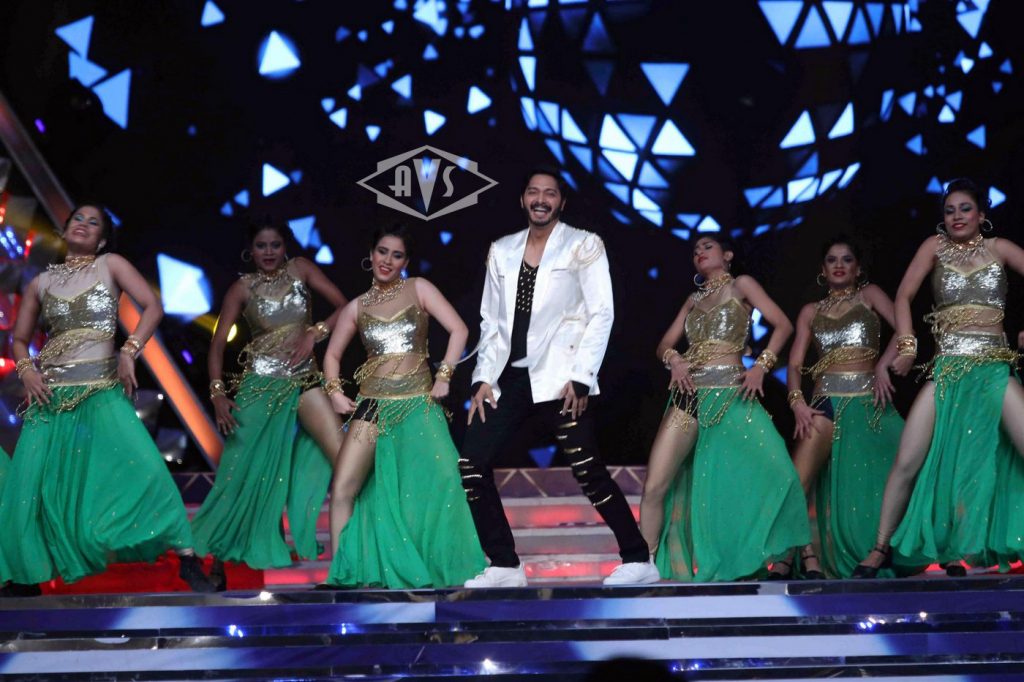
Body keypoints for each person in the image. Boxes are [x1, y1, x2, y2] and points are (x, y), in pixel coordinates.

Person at [0, 204, 214, 592]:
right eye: (77, 219)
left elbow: (153, 306)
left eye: (93, 222)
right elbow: (18, 338)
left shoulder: (110, 265)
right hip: (51, 400)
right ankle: (25, 576)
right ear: (64, 231)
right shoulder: (41, 283)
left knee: (146, 471)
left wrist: (129, 352)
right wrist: (27, 370)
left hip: (101, 392)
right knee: (31, 489)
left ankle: (187, 557)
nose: (83, 225)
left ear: (101, 240)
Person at [460, 167, 658, 588]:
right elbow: (490, 323)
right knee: (472, 464)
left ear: (561, 202)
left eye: (549, 193)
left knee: (588, 470)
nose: (541, 199)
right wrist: (482, 378)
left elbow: (601, 312)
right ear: (522, 199)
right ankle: (504, 564)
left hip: (561, 377)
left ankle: (638, 558)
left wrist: (583, 376)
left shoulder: (583, 244)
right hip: (509, 378)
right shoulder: (502, 250)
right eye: (533, 192)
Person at [853, 178, 1024, 577]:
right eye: (949, 211)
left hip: (993, 369)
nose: (957, 216)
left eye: (965, 209)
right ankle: (879, 548)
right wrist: (907, 345)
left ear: (982, 215)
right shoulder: (934, 247)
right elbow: (903, 296)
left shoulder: (999, 248)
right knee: (907, 459)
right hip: (948, 370)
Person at [322, 224, 486, 588]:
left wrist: (444, 375)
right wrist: (333, 391)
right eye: (382, 252)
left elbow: (459, 329)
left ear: (405, 261)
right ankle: (342, 577)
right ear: (371, 255)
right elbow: (331, 355)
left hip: (418, 403)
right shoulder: (356, 307)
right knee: (344, 487)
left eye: (396, 255)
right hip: (372, 406)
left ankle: (441, 569)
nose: (387, 260)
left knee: (446, 480)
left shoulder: (419, 288)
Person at [641, 235, 809, 582]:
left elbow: (783, 324)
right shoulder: (693, 299)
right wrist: (675, 359)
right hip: (689, 396)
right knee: (655, 486)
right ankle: (644, 565)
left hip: (732, 395)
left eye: (707, 247)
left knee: (781, 473)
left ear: (728, 254)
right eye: (695, 250)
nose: (699, 253)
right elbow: (663, 345)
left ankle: (779, 556)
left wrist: (761, 365)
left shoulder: (741, 285)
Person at [190, 222, 347, 589]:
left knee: (344, 460)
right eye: (262, 246)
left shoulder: (302, 269)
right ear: (251, 250)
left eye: (275, 244)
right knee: (240, 475)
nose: (269, 252)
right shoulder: (242, 288)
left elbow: (344, 306)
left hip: (304, 379)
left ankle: (352, 558)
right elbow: (217, 345)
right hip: (259, 388)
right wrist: (217, 394)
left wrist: (314, 333)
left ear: (285, 246)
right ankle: (213, 562)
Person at [782, 236, 906, 578]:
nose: (839, 265)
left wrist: (883, 366)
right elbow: (794, 364)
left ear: (858, 268)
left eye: (847, 259)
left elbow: (904, 332)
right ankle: (805, 556)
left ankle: (892, 548)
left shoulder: (870, 296)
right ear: (823, 270)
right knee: (797, 483)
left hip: (870, 401)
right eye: (832, 260)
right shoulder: (811, 311)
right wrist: (797, 403)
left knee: (905, 465)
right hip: (825, 404)